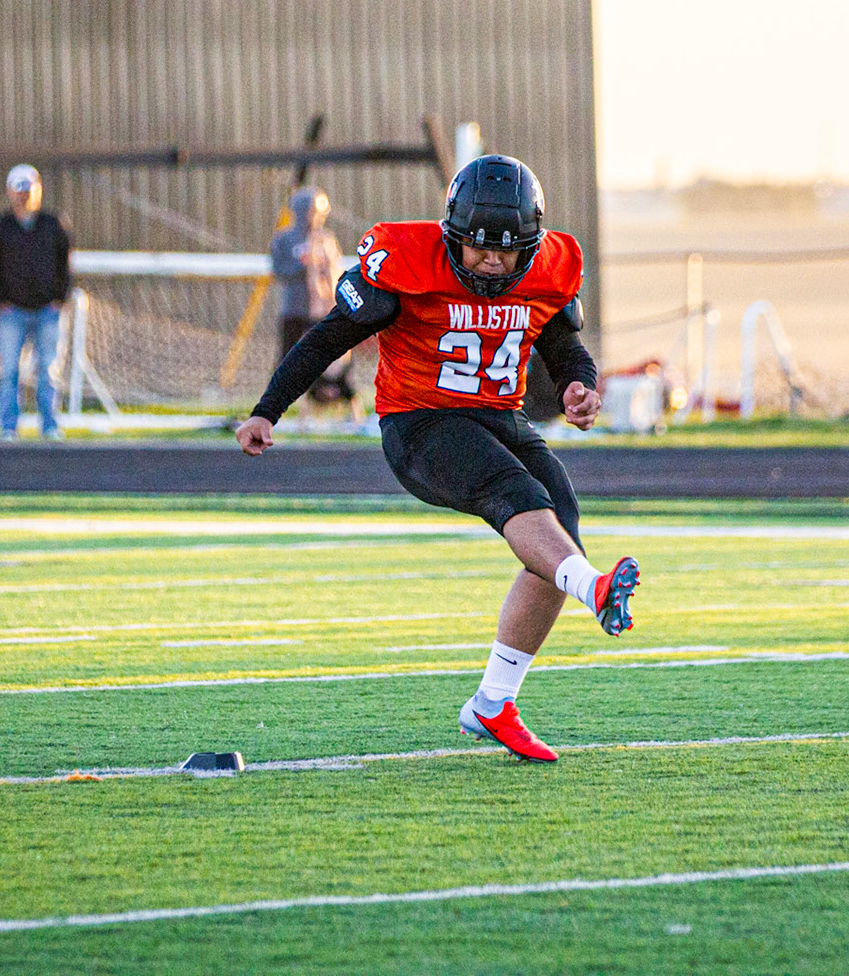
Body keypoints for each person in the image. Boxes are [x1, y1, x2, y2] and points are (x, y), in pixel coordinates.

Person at [235, 155, 636, 762]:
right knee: (517, 493)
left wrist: (579, 385)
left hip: (499, 416)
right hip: (420, 422)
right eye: (480, 248)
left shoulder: (550, 268)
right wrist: (268, 409)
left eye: (507, 251)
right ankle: (595, 588)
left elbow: (563, 346)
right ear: (453, 235)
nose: (492, 261)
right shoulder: (407, 260)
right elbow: (328, 336)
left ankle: (494, 702)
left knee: (561, 527)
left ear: (531, 246)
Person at [0, 164, 71, 441]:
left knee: (48, 370)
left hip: (47, 310)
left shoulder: (53, 224)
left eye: (28, 189)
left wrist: (60, 298)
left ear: (39, 190)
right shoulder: (1, 227)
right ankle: (8, 427)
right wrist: (1, 300)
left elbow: (65, 264)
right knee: (10, 370)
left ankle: (50, 425)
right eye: (19, 190)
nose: (24, 195)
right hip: (13, 312)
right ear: (10, 192)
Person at [269, 187, 352, 406]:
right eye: (312, 212)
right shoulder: (284, 239)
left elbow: (335, 268)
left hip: (321, 309)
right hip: (295, 308)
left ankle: (337, 398)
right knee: (289, 357)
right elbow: (279, 270)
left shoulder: (326, 238)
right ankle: (278, 402)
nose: (316, 218)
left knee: (327, 357)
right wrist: (304, 266)